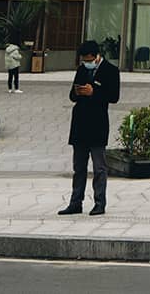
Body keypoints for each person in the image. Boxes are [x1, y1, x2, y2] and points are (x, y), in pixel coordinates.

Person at [59, 38, 122, 216]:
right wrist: (78, 92)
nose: (86, 63)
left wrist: (94, 92)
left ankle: (100, 202)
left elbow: (114, 96)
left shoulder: (110, 71)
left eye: (88, 60)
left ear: (96, 56)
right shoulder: (81, 70)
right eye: (83, 60)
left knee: (99, 167)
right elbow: (72, 95)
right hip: (80, 123)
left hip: (97, 123)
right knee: (79, 167)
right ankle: (75, 202)